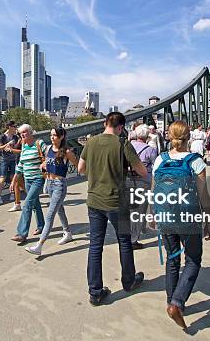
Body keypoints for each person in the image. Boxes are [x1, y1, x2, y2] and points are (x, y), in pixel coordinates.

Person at [78, 112, 147, 306]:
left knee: (95, 245)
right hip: (117, 202)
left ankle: (95, 291)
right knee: (124, 241)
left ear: (105, 123)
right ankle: (128, 281)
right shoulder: (122, 143)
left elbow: (80, 169)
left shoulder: (90, 143)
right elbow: (143, 172)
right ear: (120, 127)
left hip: (94, 201)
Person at [150, 120, 210, 329]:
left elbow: (153, 190)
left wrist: (152, 215)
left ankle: (171, 300)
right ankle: (177, 303)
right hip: (188, 217)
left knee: (172, 258)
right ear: (189, 137)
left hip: (165, 217)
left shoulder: (160, 160)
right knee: (193, 260)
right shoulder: (196, 161)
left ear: (169, 136)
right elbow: (203, 195)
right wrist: (208, 221)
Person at [25, 127, 77, 256]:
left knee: (49, 215)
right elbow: (45, 162)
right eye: (51, 135)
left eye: (55, 135)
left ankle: (39, 245)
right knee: (60, 209)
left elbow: (78, 165)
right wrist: (43, 166)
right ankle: (68, 233)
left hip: (59, 185)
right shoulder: (48, 148)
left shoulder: (67, 151)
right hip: (49, 183)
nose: (52, 137)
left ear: (61, 137)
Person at [10, 124, 46, 244]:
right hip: (27, 180)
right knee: (35, 203)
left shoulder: (39, 144)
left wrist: (45, 164)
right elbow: (20, 165)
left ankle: (21, 233)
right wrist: (14, 180)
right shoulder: (24, 147)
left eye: (25, 132)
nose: (23, 135)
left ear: (31, 133)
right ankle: (42, 226)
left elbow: (50, 155)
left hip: (38, 179)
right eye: (21, 134)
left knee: (27, 204)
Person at [128, 124, 158, 249]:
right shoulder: (150, 150)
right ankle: (133, 239)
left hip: (127, 180)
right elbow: (156, 167)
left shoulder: (128, 146)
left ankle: (126, 236)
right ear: (147, 136)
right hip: (143, 182)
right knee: (139, 211)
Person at [0, 121, 22, 211]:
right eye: (14, 127)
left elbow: (16, 147)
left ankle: (12, 194)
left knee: (12, 178)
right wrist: (7, 144)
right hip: (5, 160)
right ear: (9, 127)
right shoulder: (2, 136)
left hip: (13, 159)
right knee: (2, 178)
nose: (15, 128)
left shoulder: (15, 136)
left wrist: (13, 146)